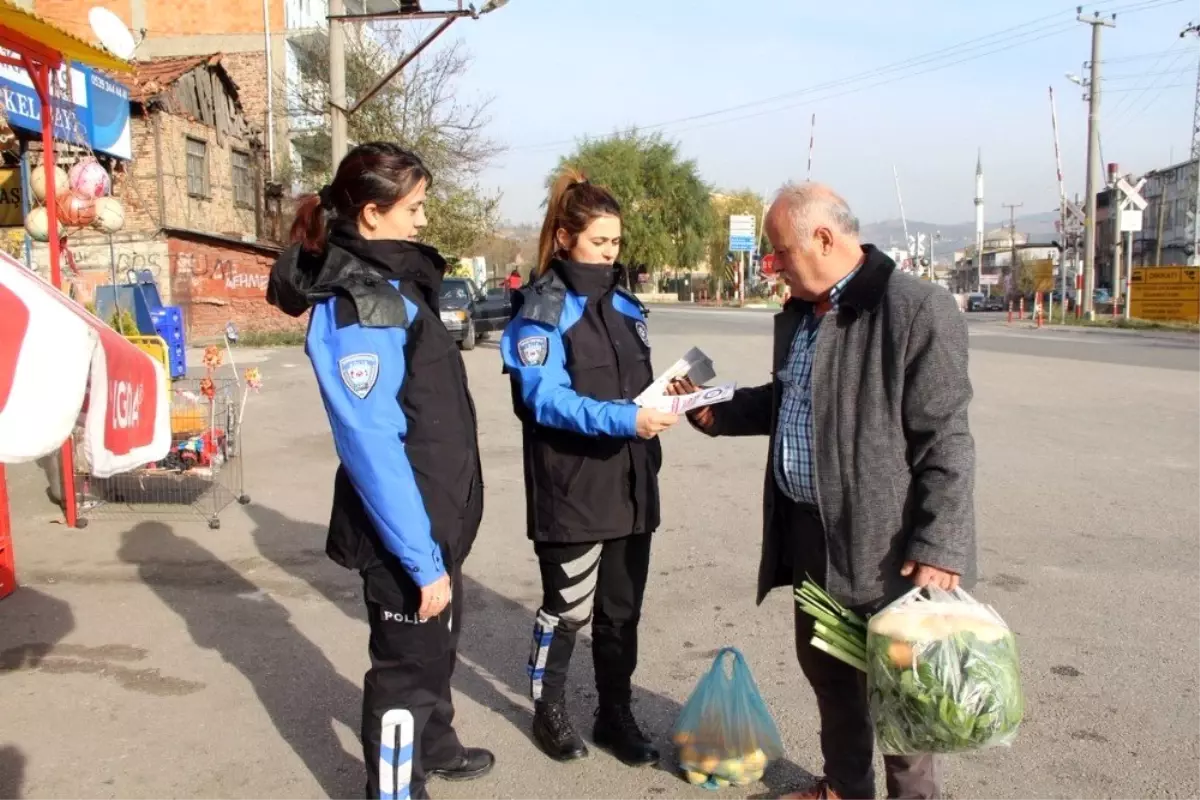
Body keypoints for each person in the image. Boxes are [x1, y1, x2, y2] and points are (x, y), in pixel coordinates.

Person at [674, 182, 975, 800]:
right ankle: (843, 787)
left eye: (780, 251)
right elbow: (790, 400)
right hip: (809, 535)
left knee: (902, 693)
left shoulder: (916, 308)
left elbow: (945, 437)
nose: (773, 265)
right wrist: (715, 408)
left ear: (824, 238)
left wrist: (941, 540)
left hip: (885, 546)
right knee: (830, 676)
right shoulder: (803, 314)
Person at [266, 142, 494, 800]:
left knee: (438, 647)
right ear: (371, 214)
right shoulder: (359, 303)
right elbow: (372, 443)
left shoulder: (394, 286)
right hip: (404, 533)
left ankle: (438, 746)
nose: (423, 221)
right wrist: (421, 562)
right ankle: (393, 792)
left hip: (433, 517)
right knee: (403, 676)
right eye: (414, 208)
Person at [500, 169, 679, 767]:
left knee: (621, 613)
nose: (610, 254)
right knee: (569, 610)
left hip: (632, 486)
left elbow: (636, 388)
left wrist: (674, 397)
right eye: (600, 242)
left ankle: (615, 713)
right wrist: (626, 420)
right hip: (573, 487)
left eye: (616, 244)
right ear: (564, 239)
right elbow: (541, 399)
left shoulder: (627, 306)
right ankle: (549, 710)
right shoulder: (540, 311)